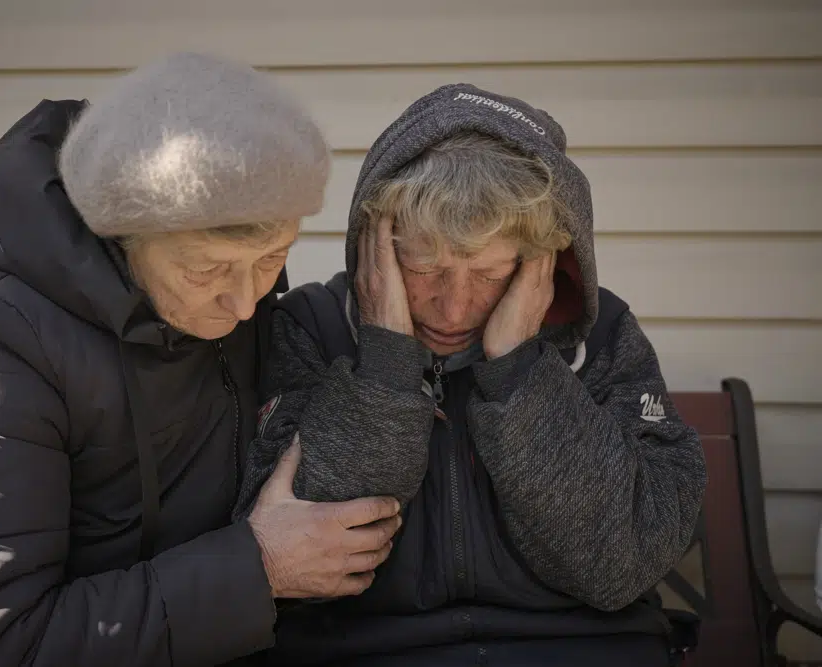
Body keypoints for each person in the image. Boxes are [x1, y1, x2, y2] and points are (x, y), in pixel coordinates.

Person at [0, 53, 404, 667]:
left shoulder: (256, 313)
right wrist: (259, 566)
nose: (245, 302)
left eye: (272, 259)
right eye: (206, 269)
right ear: (122, 236)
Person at [234, 84, 708, 666]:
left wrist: (519, 370)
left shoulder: (600, 335)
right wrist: (384, 363)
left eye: (488, 274)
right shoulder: (312, 327)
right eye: (423, 266)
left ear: (542, 261)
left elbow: (618, 565)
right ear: (374, 247)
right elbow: (300, 565)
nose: (453, 309)